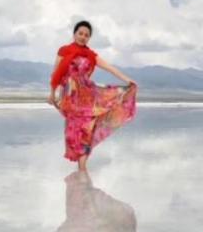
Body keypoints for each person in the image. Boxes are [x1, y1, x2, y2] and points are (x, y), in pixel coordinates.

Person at [47, 20, 138, 171]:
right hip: (70, 98)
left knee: (87, 130)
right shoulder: (64, 51)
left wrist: (127, 79)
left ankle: (82, 168)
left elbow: (109, 68)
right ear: (74, 34)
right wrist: (52, 94)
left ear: (89, 38)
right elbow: (56, 73)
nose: (83, 37)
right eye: (80, 33)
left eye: (86, 35)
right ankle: (81, 167)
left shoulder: (91, 55)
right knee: (72, 132)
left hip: (88, 97)